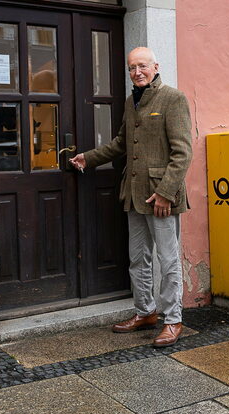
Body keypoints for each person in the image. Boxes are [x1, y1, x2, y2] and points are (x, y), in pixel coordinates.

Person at [70, 47, 193, 347]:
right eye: (131, 68)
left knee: (168, 260)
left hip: (160, 197)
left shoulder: (173, 98)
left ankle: (173, 320)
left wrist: (165, 193)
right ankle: (145, 312)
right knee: (138, 259)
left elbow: (183, 152)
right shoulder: (131, 102)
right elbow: (121, 144)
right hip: (135, 194)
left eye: (142, 66)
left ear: (155, 67)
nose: (137, 72)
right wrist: (89, 158)